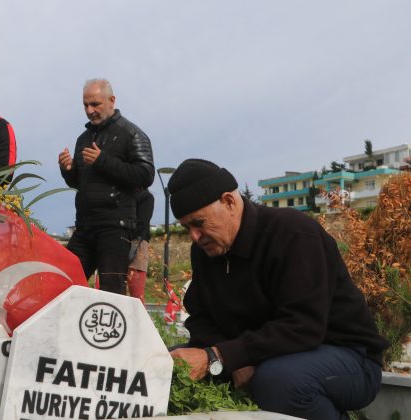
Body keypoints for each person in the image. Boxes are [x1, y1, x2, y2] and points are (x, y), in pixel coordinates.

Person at [166, 158, 388, 420]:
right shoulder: (205, 251)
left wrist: (221, 356)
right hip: (267, 354)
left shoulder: (292, 233)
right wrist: (231, 358)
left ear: (229, 202)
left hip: (347, 356)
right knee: (170, 366)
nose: (194, 236)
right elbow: (201, 317)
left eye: (199, 223)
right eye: (186, 227)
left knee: (278, 381)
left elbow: (303, 326)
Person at [58, 79, 155, 294]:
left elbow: (146, 175)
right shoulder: (83, 138)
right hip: (84, 226)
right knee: (63, 284)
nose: (89, 110)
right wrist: (68, 170)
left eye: (95, 104)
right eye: (85, 105)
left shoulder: (132, 134)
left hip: (116, 227)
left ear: (112, 101)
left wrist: (103, 161)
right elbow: (79, 183)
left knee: (111, 292)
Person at [127, 189, 154, 303]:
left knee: (136, 295)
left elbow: (142, 224)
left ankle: (138, 318)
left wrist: (134, 244)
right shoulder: (125, 194)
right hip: (122, 242)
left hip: (138, 243)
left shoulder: (145, 196)